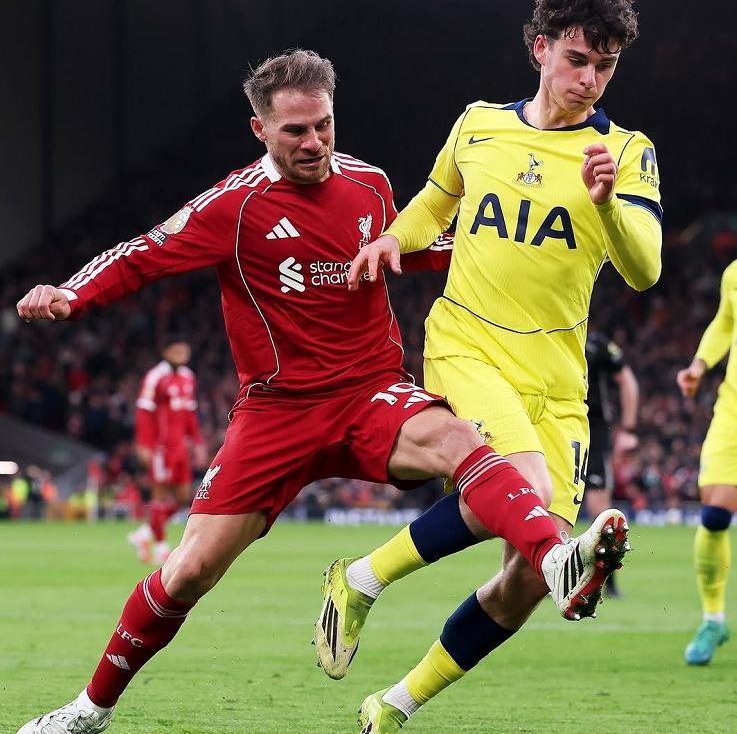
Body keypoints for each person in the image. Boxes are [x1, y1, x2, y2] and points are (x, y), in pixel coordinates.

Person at [13, 49, 620, 734]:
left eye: (324, 125)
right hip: (277, 411)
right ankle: (89, 709)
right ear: (260, 129)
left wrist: (511, 252)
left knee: (459, 439)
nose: (314, 142)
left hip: (371, 393)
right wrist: (72, 294)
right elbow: (143, 254)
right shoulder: (234, 206)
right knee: (188, 571)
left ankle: (554, 558)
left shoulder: (369, 184)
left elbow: (413, 245)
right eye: (295, 130)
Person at [316, 0, 660, 732]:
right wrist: (391, 239)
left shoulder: (625, 151)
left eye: (604, 66)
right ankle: (365, 580)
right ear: (540, 49)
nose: (589, 79)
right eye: (576, 59)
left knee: (528, 580)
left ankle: (393, 702)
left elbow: (644, 269)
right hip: (469, 342)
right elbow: (434, 203)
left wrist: (607, 205)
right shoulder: (478, 125)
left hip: (558, 380)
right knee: (523, 488)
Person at [677, 259, 737, 665]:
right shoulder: (734, 273)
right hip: (732, 409)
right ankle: (713, 619)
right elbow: (725, 322)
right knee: (714, 515)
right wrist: (699, 365)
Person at [127, 336, 206, 565]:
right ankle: (161, 547)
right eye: (177, 350)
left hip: (180, 447)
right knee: (160, 496)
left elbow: (190, 414)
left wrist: (197, 443)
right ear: (166, 352)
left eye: (185, 350)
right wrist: (144, 444)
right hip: (160, 448)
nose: (182, 355)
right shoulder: (155, 377)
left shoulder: (188, 377)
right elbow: (144, 412)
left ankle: (144, 534)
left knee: (183, 497)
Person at [584, 330, 639, 597]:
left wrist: (628, 428)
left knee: (600, 511)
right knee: (552, 506)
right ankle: (549, 579)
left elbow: (627, 380)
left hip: (594, 434)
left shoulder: (597, 345)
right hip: (558, 428)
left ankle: (608, 582)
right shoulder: (547, 335)